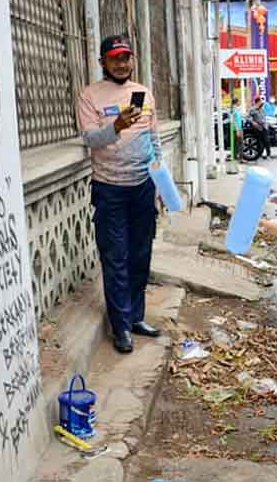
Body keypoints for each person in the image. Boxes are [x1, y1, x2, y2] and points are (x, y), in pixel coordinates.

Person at [76, 36, 163, 354]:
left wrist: (160, 182)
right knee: (116, 257)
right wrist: (116, 126)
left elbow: (154, 139)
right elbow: (90, 139)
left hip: (143, 187)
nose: (122, 63)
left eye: (126, 57)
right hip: (109, 189)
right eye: (115, 58)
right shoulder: (90, 96)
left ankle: (136, 317)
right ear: (103, 62)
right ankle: (121, 326)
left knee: (141, 255)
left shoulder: (143, 93)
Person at [230, 98, 243, 162]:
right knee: (239, 143)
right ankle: (240, 158)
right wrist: (237, 129)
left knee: (238, 143)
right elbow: (233, 120)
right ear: (236, 102)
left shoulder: (237, 109)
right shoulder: (234, 109)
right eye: (239, 101)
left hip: (239, 128)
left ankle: (237, 157)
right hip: (237, 129)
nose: (239, 103)